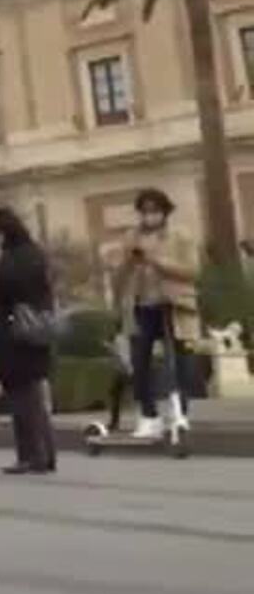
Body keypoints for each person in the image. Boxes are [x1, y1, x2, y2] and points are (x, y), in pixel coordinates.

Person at [107, 188, 202, 440]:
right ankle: (149, 415)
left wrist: (156, 261)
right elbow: (118, 276)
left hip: (174, 304)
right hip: (142, 306)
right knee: (140, 362)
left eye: (155, 211)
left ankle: (179, 413)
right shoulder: (132, 237)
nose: (150, 217)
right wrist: (128, 261)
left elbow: (192, 271)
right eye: (145, 212)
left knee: (178, 361)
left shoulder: (180, 235)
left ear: (164, 212)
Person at [0, 207, 56, 475]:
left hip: (19, 333)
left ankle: (33, 455)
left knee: (24, 398)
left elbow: (11, 286)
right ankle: (41, 453)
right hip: (29, 331)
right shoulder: (29, 254)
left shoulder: (19, 257)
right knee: (30, 395)